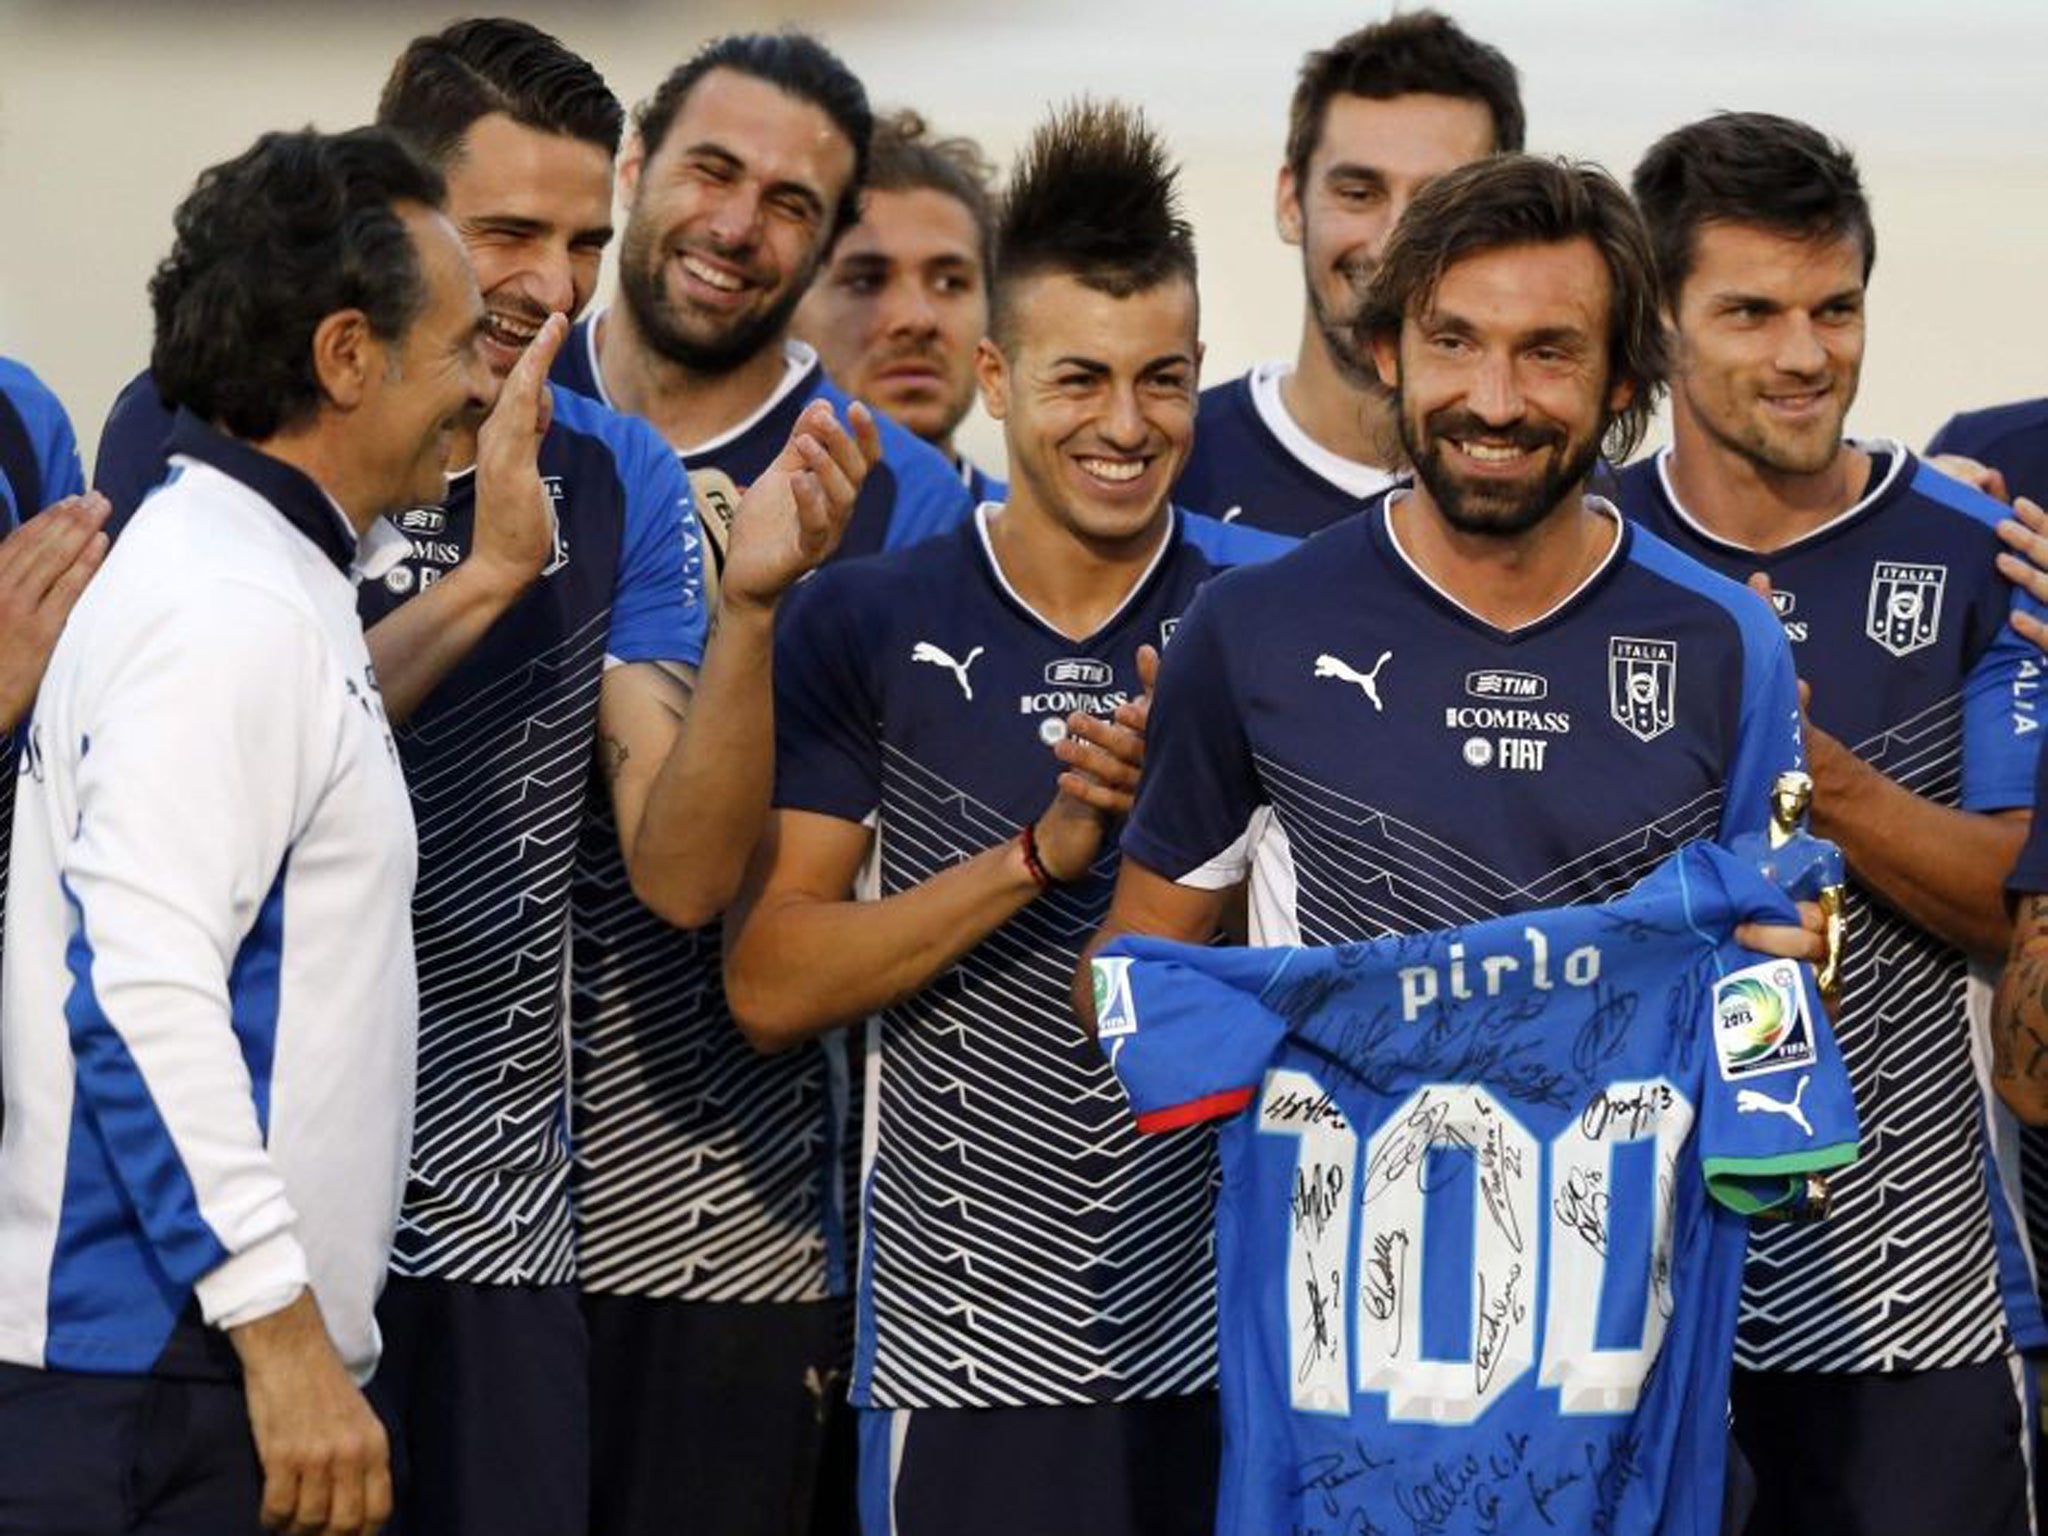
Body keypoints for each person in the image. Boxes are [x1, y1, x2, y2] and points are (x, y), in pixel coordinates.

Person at [91, 21, 876, 1536]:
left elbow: (681, 873)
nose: (555, 284)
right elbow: (180, 793)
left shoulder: (621, 470)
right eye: (509, 230)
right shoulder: (212, 420)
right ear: (393, 208)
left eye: (587, 236)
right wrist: (486, 585)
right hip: (228, 1227)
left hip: (493, 1233)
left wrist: (755, 614)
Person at [1078, 150, 1821, 1529]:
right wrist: (1239, 1029)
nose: (1493, 400)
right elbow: (1128, 974)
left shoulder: (1727, 647)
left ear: (1621, 384)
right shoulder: (1250, 634)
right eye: (1454, 344)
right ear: (1385, 350)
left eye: (1549, 353)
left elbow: (1772, 990)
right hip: (1338, 1406)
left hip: (1621, 1403)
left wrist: (1786, 986)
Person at [723, 99, 1289, 1536]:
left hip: (1248, 1351)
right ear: (994, 373)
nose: (1124, 425)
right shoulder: (868, 612)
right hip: (966, 1362)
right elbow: (772, 979)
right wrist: (1044, 857)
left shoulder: (1281, 611)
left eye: (1163, 381)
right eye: (1078, 379)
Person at [0, 125, 491, 1536]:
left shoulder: (261, 574)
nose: (482, 383)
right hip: (163, 1378)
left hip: (186, 1374)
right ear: (347, 357)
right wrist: (279, 1336)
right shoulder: (227, 605)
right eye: (461, 342)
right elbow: (142, 985)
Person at [548, 34, 967, 1536]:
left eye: (793, 203)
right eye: (714, 172)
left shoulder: (903, 499)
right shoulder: (480, 411)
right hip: (442, 1205)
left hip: (740, 1233)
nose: (739, 226)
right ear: (637, 163)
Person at [1613, 111, 2042, 1536]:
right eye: (1750, 311)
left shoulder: (1977, 551)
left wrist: (1810, 767)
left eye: (1835, 307)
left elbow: (2007, 908)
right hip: (1628, 1303)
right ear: (1658, 322)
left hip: (1911, 1296)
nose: (1804, 355)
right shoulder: (1575, 555)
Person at [1171, 10, 1521, 535]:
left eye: (1439, 202)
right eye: (1358, 194)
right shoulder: (1169, 474)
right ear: (1291, 202)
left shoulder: (1567, 503)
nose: (1391, 243)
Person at [795, 108, 1004, 499]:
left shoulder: (1047, 550)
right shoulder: (688, 539)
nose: (917, 319)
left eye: (949, 282)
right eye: (866, 281)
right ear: (786, 313)